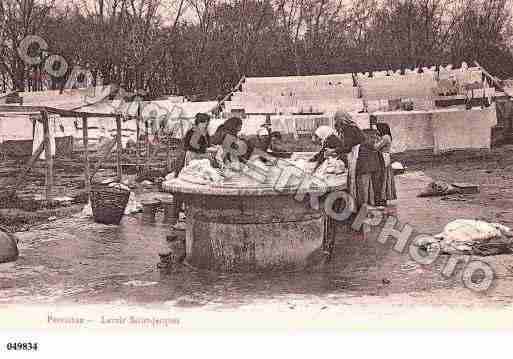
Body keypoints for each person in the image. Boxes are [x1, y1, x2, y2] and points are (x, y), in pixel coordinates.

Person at [333, 110, 385, 209]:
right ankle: (372, 203)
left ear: (340, 120)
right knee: (369, 181)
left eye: (336, 120)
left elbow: (347, 147)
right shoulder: (352, 127)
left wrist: (334, 151)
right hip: (368, 154)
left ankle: (366, 204)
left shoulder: (348, 128)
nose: (336, 123)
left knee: (363, 181)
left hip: (364, 156)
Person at [375, 122, 397, 204]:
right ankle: (384, 196)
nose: (377, 131)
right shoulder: (387, 137)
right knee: (385, 176)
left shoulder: (385, 137)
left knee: (383, 177)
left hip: (383, 157)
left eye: (378, 129)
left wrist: (376, 139)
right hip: (385, 157)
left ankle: (383, 197)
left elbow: (376, 147)